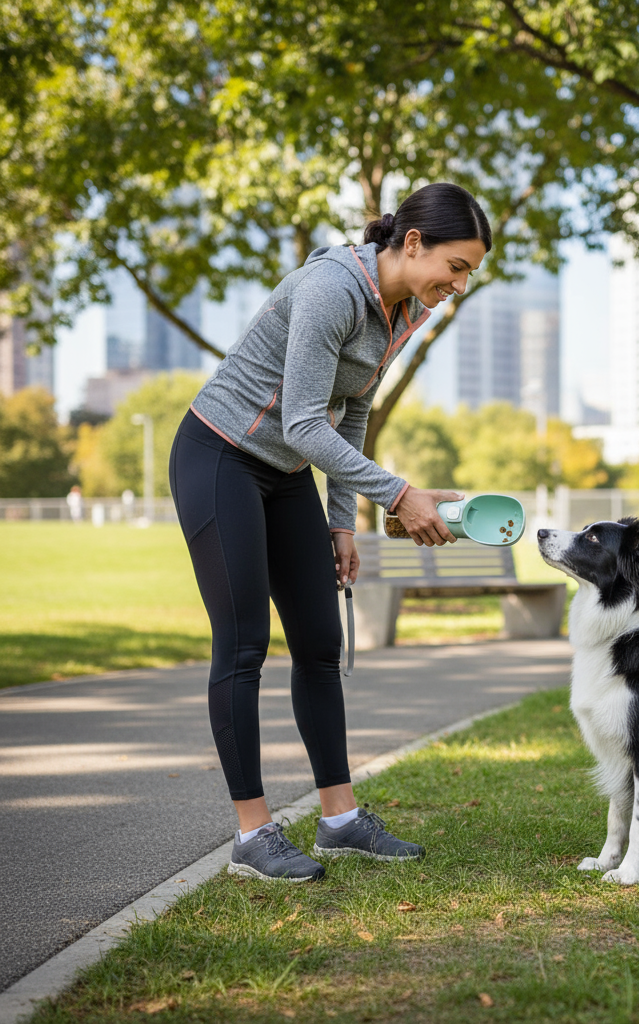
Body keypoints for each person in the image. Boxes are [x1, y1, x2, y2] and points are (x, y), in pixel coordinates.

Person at [168, 182, 491, 881]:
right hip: (220, 454)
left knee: (319, 641)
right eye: (456, 266)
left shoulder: (404, 311)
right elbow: (303, 422)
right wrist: (401, 495)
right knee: (245, 641)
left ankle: (340, 820)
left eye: (468, 273)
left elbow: (350, 413)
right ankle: (252, 834)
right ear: (412, 244)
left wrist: (343, 521)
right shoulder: (331, 289)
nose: (458, 284)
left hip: (286, 473)